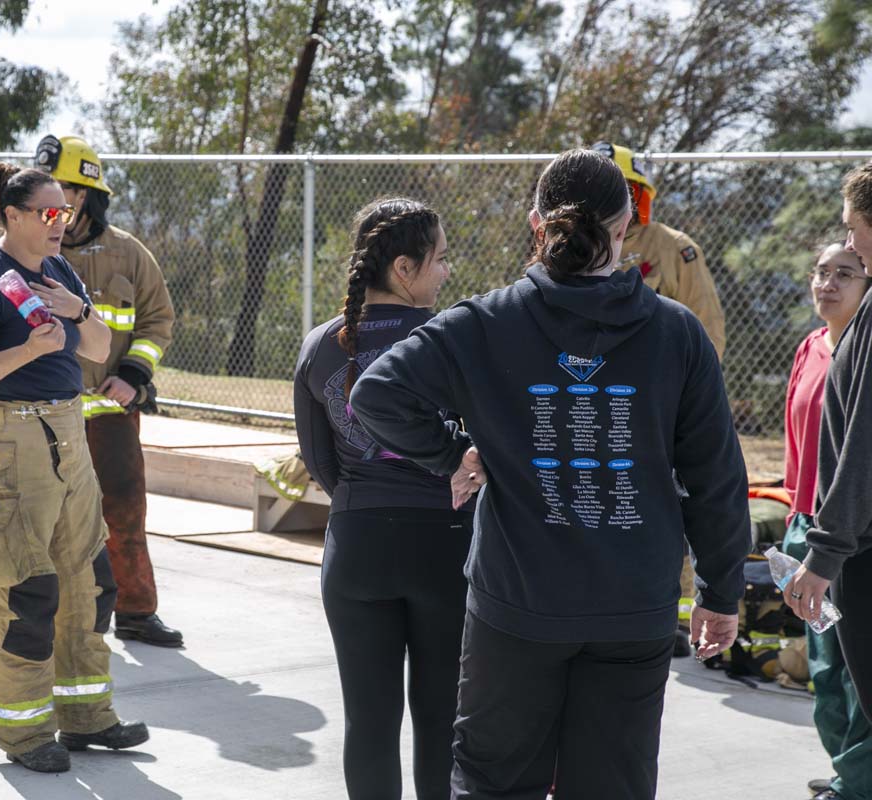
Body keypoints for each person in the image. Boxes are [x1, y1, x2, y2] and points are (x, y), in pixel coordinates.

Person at [350, 149, 751, 799]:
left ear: (537, 225)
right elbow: (717, 480)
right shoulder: (676, 334)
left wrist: (452, 454)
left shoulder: (483, 324)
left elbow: (376, 396)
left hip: (517, 609)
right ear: (626, 230)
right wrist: (720, 591)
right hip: (634, 609)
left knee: (492, 784)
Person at [0, 162, 147, 773]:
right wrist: (26, 349)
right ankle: (24, 735)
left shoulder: (58, 271)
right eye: (50, 213)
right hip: (8, 441)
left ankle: (86, 717)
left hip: (66, 434)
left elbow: (101, 348)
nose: (63, 222)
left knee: (86, 580)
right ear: (13, 215)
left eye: (67, 212)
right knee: (27, 589)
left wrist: (79, 315)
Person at [293, 198, 472, 800]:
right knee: (442, 719)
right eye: (440, 259)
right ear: (403, 267)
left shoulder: (321, 344)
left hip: (356, 548)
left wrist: (365, 498)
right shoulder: (454, 338)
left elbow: (319, 461)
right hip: (445, 548)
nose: (446, 271)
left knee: (367, 723)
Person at [34, 134, 180, 647]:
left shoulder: (128, 254)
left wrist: (136, 376)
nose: (55, 201)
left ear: (88, 193)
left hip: (111, 415)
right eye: (48, 189)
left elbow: (158, 320)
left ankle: (136, 612)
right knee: (47, 519)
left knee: (123, 509)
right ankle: (56, 616)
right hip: (44, 415)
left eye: (65, 189)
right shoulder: (29, 255)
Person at [593, 139, 728, 657]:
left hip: (658, 408)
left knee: (666, 505)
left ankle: (669, 612)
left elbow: (706, 325)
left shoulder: (674, 247)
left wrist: (692, 402)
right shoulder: (571, 247)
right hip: (593, 403)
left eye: (629, 192)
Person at [782, 242, 872, 800]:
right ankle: (845, 769)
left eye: (845, 273)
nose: (828, 283)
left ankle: (859, 783)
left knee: (856, 668)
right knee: (823, 668)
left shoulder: (862, 349)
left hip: (845, 532)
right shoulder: (812, 347)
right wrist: (796, 512)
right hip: (805, 520)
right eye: (821, 271)